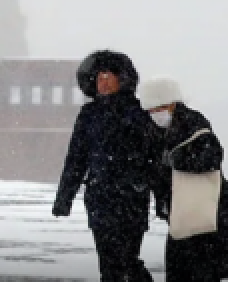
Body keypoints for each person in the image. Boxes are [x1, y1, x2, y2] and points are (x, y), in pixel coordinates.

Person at [53, 49, 163, 282]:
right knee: (108, 263)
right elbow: (76, 158)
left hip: (132, 198)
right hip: (100, 199)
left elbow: (154, 160)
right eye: (98, 78)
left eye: (107, 77)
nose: (102, 83)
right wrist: (64, 197)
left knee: (128, 261)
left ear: (121, 78)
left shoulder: (139, 113)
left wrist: (163, 199)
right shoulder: (89, 114)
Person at [140, 77, 228, 281]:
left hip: (205, 211)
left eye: (158, 108)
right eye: (151, 110)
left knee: (200, 270)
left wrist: (177, 160)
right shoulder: (154, 130)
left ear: (171, 103)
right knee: (183, 270)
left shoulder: (193, 122)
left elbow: (212, 157)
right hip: (182, 213)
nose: (155, 114)